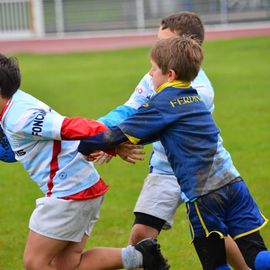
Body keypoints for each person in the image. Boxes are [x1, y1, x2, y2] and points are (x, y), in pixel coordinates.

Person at [78, 36, 270, 270]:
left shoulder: (163, 103)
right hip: (234, 185)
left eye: (154, 69)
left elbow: (117, 133)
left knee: (215, 263)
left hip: (204, 197)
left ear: (170, 74)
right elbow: (155, 132)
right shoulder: (193, 97)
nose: (150, 74)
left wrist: (85, 145)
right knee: (257, 256)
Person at [0, 53, 169, 270]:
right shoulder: (15, 103)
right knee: (67, 265)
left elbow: (74, 126)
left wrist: (113, 144)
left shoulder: (20, 118)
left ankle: (143, 257)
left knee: (35, 262)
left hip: (68, 191)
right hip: (83, 186)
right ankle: (142, 257)